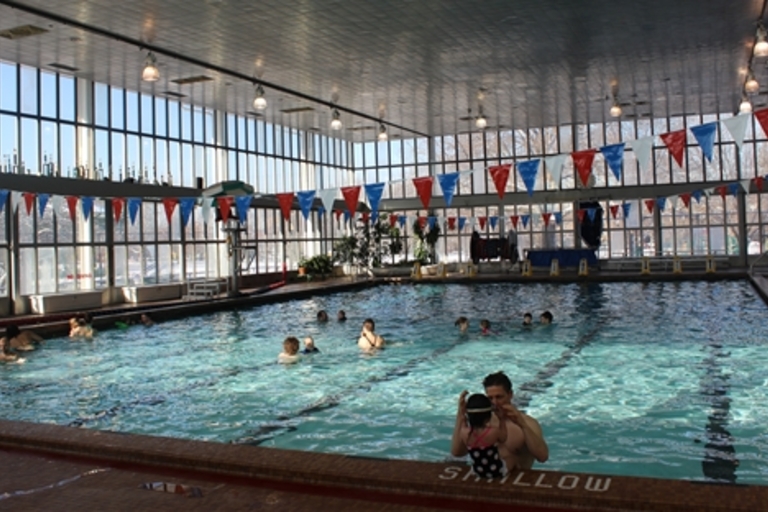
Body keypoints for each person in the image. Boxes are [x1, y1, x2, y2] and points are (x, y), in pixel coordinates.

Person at [452, 371, 548, 471]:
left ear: (510, 394)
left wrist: (522, 425)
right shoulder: (482, 423)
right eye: (490, 398)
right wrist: (461, 414)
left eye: (499, 397)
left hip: (515, 483)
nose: (495, 402)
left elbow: (542, 457)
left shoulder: (528, 423)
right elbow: (457, 452)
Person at [455, 392, 508, 478]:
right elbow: (503, 438)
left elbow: (462, 419)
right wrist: (501, 419)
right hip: (497, 471)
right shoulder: (494, 431)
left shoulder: (464, 432)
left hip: (478, 471)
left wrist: (462, 409)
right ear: (489, 416)